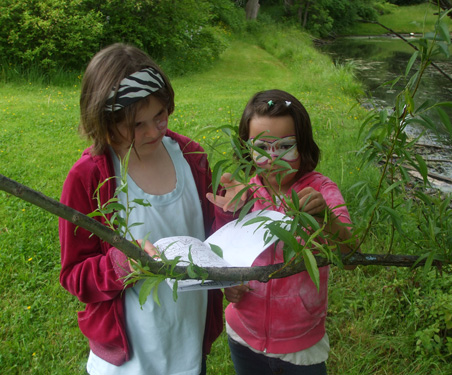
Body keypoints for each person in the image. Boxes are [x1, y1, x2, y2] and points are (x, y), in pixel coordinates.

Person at [59, 43, 230, 375]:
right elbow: (74, 276)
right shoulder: (89, 177)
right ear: (105, 123)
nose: (153, 131)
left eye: (160, 115)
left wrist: (229, 212)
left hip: (188, 343)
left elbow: (211, 238)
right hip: (130, 360)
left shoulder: (191, 157)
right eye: (136, 125)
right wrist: (123, 262)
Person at [207, 89, 357, 375]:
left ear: (303, 143)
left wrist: (325, 218)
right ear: (246, 147)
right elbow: (228, 254)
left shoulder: (320, 192)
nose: (273, 159)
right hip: (243, 335)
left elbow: (349, 256)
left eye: (286, 146)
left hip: (300, 346)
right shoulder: (246, 192)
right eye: (262, 147)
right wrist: (230, 284)